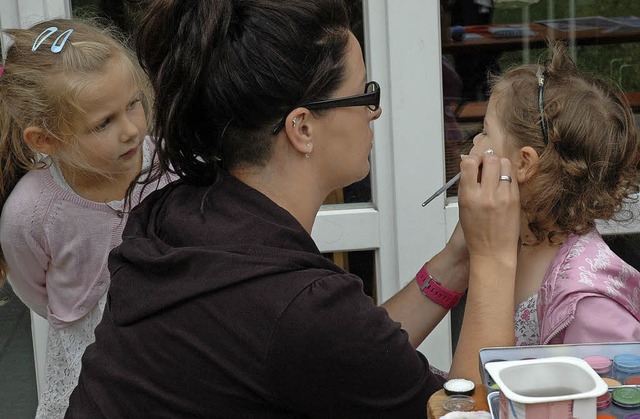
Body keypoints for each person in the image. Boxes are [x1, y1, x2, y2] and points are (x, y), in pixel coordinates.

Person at [66, 1, 520, 417]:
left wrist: (458, 260)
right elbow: (467, 414)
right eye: (363, 94)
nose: (373, 113)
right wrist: (495, 259)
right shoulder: (297, 305)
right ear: (301, 127)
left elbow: (346, 354)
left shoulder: (177, 215)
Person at [0, 18, 173, 418]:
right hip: (87, 359)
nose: (131, 129)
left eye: (132, 104)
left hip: (169, 344)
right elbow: (35, 289)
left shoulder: (172, 169)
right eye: (103, 123)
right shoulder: (31, 212)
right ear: (46, 140)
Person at [469, 41, 640, 347]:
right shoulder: (514, 245)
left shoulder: (586, 301)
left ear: (523, 163)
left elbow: (613, 385)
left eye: (485, 131)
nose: (475, 142)